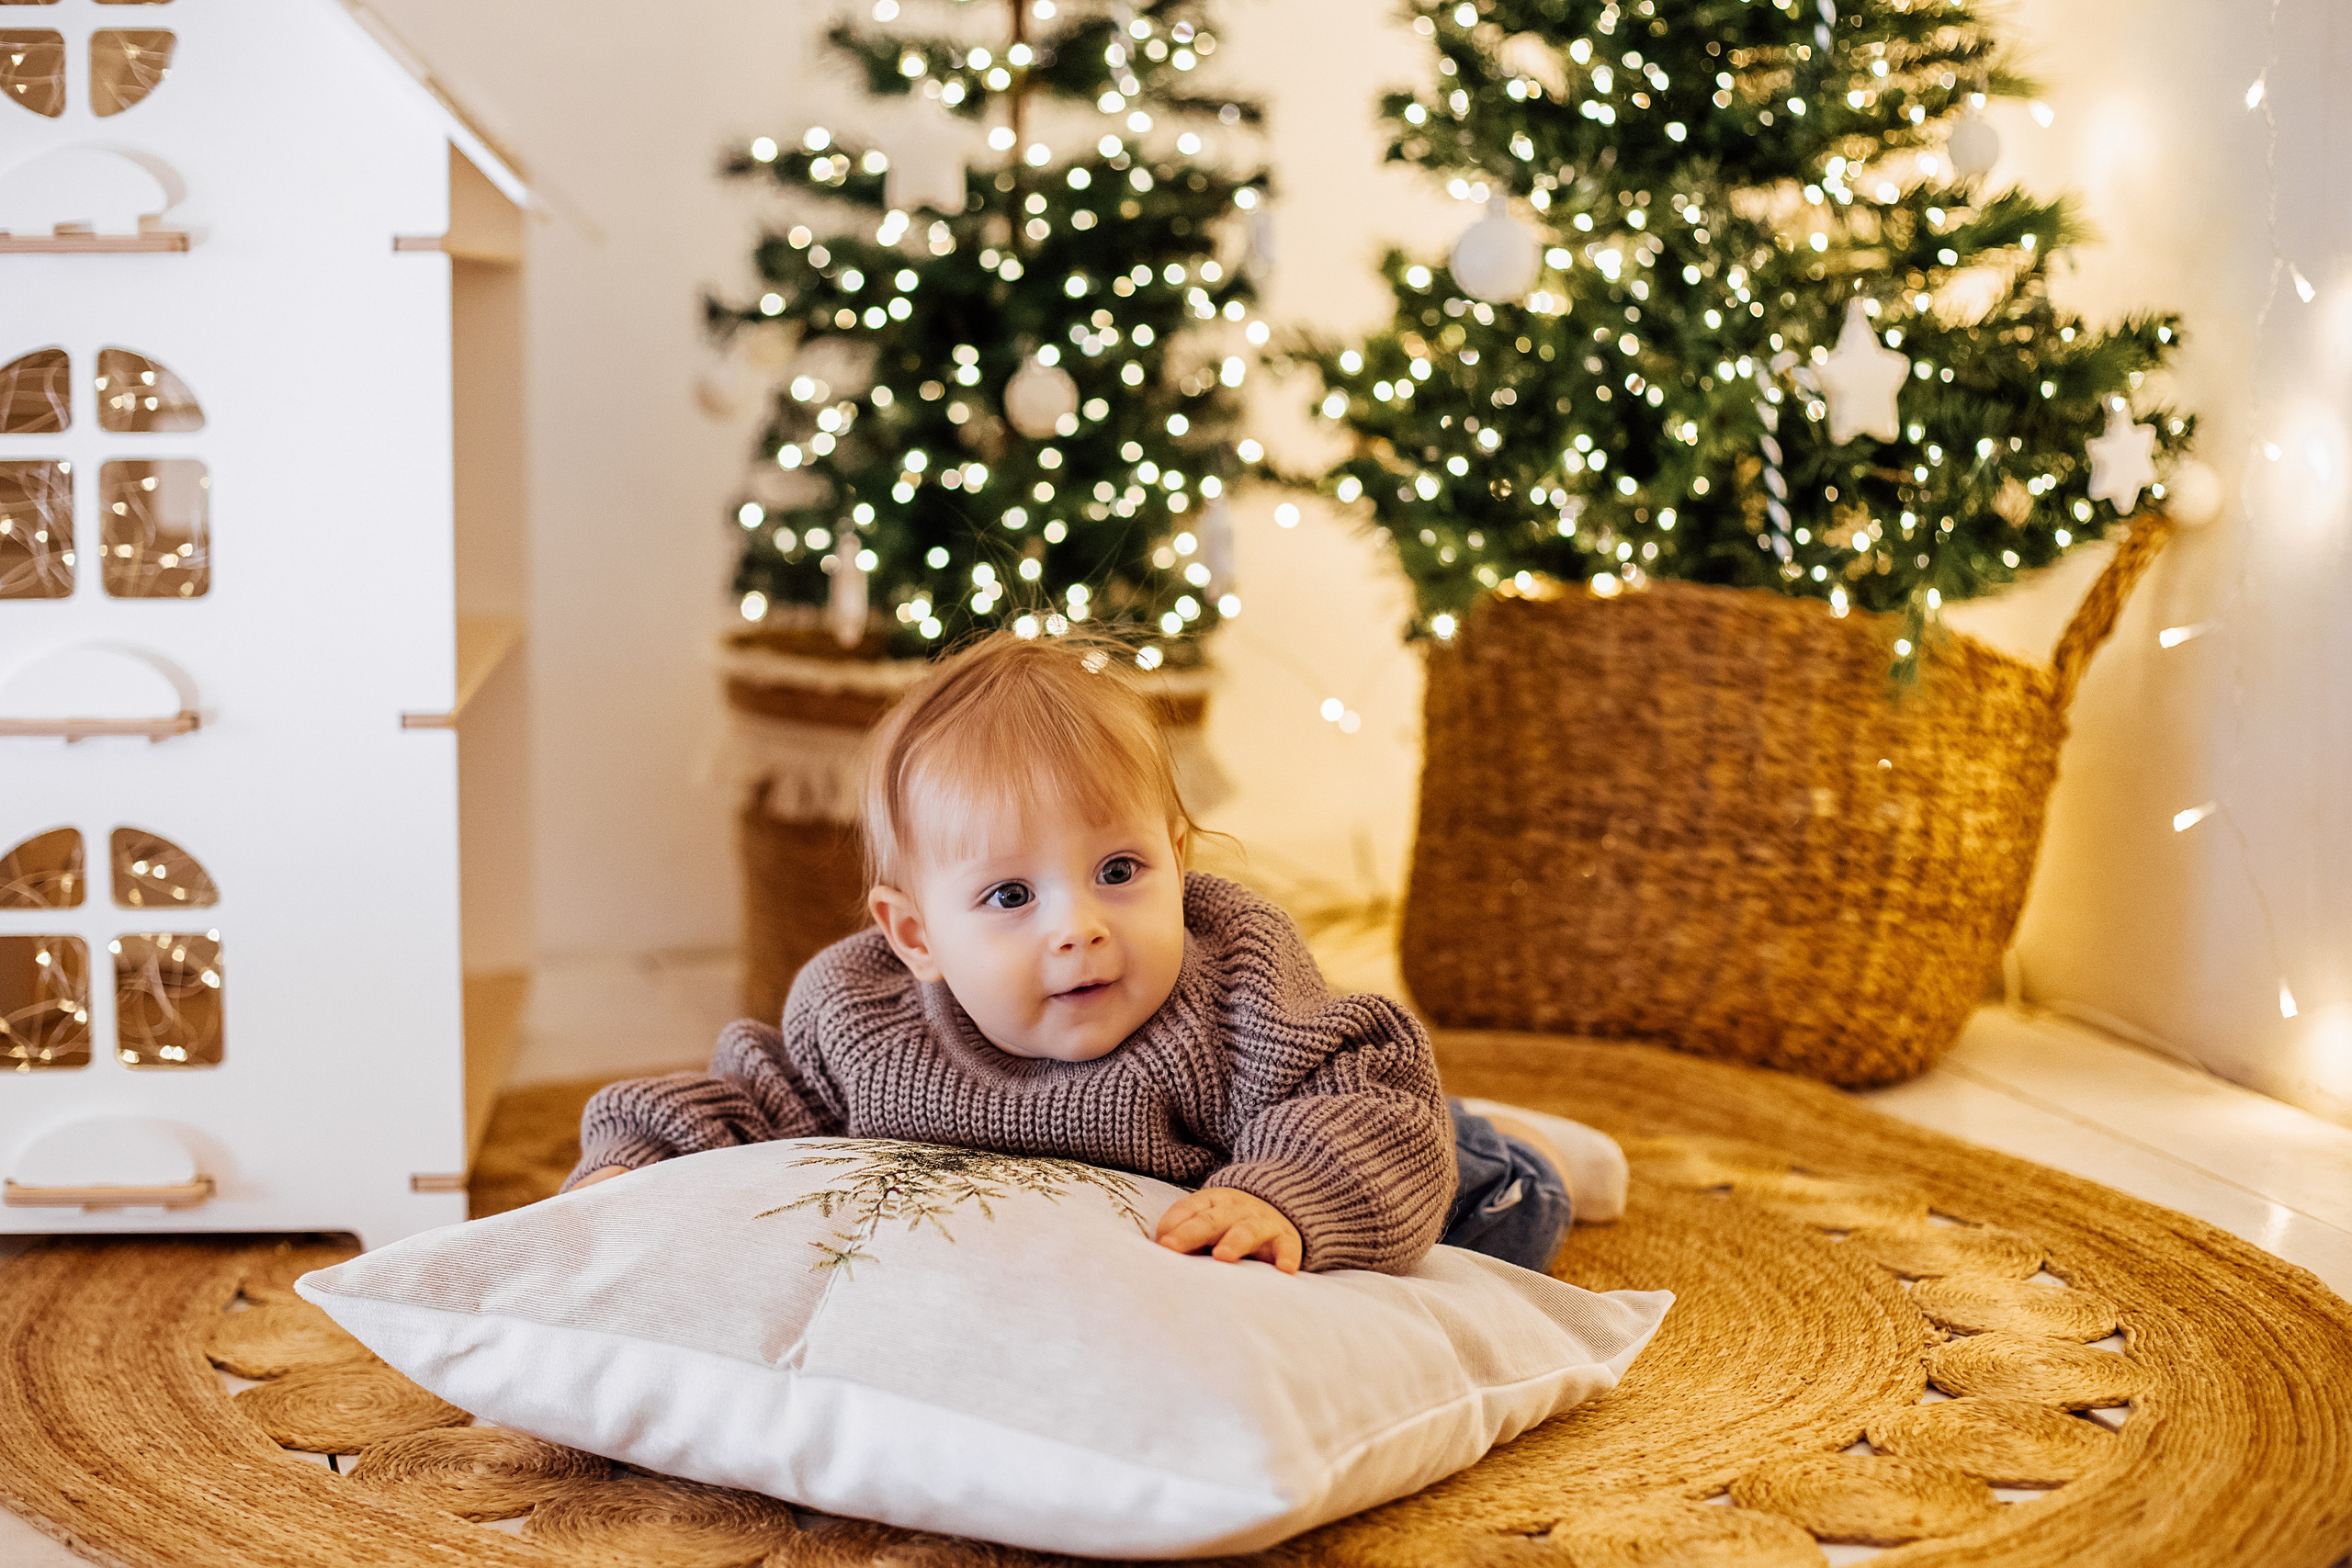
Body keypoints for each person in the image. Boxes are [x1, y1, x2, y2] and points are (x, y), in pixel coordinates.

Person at [565, 632, 1625, 1275]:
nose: (1079, 927)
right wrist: (635, 1160)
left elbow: (1360, 1096)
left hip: (1335, 1144)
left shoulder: (1235, 986)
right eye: (1012, 895)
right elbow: (748, 1105)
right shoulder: (861, 1019)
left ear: (1175, 855)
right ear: (916, 937)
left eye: (1119, 871)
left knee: (1477, 1206)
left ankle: (1517, 1142)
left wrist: (1281, 1202)